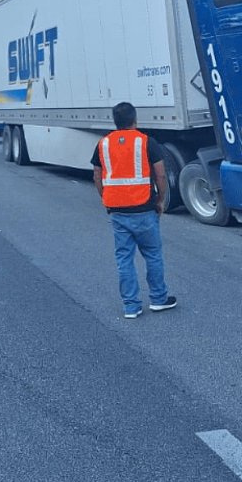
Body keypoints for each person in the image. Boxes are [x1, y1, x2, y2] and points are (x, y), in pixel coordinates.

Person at [92, 101, 176, 319]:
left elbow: (97, 175)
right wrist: (160, 200)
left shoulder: (103, 144)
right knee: (153, 255)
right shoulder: (146, 142)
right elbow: (160, 174)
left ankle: (131, 306)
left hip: (117, 211)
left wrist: (107, 198)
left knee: (124, 259)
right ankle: (158, 299)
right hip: (144, 208)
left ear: (115, 121)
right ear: (134, 119)